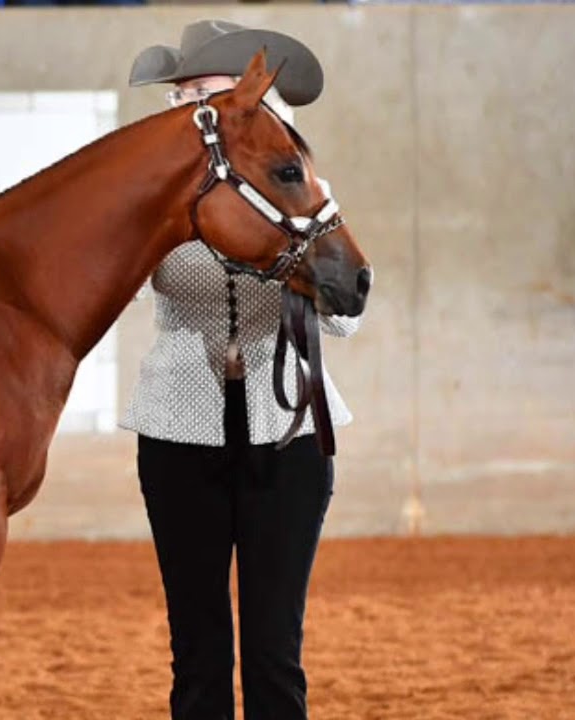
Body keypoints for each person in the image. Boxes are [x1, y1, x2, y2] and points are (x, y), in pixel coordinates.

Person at [122, 20, 363, 720]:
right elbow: (116, 291)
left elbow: (349, 318)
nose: (189, 106)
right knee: (196, 647)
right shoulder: (155, 203)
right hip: (178, 430)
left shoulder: (298, 187)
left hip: (284, 434)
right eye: (183, 94)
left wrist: (298, 268)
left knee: (273, 648)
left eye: (206, 91)